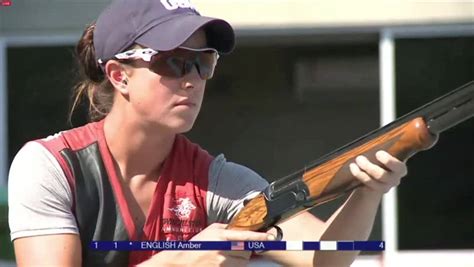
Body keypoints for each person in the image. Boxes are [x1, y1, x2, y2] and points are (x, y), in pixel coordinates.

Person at [8, 0, 408, 266]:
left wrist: (366, 190)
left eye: (204, 62)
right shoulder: (51, 167)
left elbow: (325, 257)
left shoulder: (215, 181)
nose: (193, 80)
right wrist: (179, 260)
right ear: (119, 75)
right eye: (174, 63)